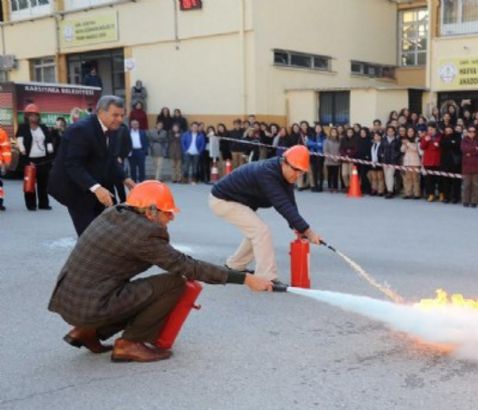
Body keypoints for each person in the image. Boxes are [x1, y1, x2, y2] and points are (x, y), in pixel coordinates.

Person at [49, 181, 272, 363]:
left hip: (69, 299)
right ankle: (130, 344)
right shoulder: (146, 234)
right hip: (91, 305)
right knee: (174, 284)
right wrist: (245, 278)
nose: (172, 218)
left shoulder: (114, 214)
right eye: (167, 213)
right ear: (150, 212)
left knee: (132, 290)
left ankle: (87, 332)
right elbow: (188, 266)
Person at [209, 145, 322, 282]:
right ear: (284, 162)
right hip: (223, 200)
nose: (298, 175)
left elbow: (290, 202)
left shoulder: (283, 173)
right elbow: (282, 205)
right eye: (296, 170)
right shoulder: (267, 174)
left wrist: (297, 227)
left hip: (237, 201)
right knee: (261, 231)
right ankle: (266, 278)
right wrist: (308, 231)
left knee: (256, 232)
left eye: (302, 172)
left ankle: (235, 266)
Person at [48, 96, 135, 235]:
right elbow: (73, 165)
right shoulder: (81, 130)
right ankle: (87, 255)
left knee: (108, 230)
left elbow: (110, 159)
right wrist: (97, 188)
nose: (120, 119)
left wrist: (125, 178)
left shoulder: (112, 129)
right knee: (89, 236)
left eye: (122, 115)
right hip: (75, 190)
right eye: (115, 115)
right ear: (101, 112)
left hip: (96, 187)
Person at [16, 103, 55, 211]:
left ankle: (44, 204)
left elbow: (48, 140)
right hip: (29, 160)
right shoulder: (23, 127)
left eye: (35, 115)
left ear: (38, 116)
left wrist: (50, 151)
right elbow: (20, 142)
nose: (33, 117)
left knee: (43, 184)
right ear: (27, 116)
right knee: (30, 184)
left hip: (43, 160)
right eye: (31, 115)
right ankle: (31, 204)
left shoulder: (43, 127)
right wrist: (25, 156)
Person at [460, 126, 478, 208]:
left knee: (475, 185)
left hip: (477, 165)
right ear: (467, 132)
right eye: (470, 131)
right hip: (467, 165)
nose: (471, 133)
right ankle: (466, 200)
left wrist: (470, 152)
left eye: (473, 131)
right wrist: (475, 149)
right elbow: (463, 149)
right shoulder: (464, 140)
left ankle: (474, 201)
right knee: (466, 184)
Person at [439, 124, 461, 204]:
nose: (448, 132)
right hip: (445, 162)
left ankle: (456, 197)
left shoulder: (457, 136)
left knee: (456, 181)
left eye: (450, 130)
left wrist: (450, 143)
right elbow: (442, 144)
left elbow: (457, 144)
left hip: (455, 162)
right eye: (446, 131)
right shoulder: (443, 136)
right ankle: (446, 197)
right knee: (446, 181)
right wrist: (451, 142)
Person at [419, 123, 442, 202]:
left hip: (437, 160)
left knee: (439, 179)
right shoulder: (425, 137)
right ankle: (431, 194)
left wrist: (436, 144)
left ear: (435, 129)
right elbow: (422, 147)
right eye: (428, 129)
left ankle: (441, 193)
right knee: (429, 180)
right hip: (428, 161)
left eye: (431, 129)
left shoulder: (439, 136)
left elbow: (439, 147)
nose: (430, 131)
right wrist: (426, 140)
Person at [380, 125, 402, 199]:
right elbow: (381, 149)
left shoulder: (397, 141)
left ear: (394, 132)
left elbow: (399, 151)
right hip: (385, 160)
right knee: (387, 176)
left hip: (393, 161)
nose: (390, 132)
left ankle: (390, 191)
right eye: (388, 131)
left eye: (391, 131)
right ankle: (389, 189)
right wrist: (381, 155)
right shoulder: (383, 140)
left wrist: (395, 156)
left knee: (390, 175)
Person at [400, 126, 421, 200]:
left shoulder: (417, 139)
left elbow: (416, 149)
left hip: (415, 161)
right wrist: (405, 144)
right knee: (408, 178)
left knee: (415, 178)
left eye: (411, 131)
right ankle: (408, 193)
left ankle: (417, 193)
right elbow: (402, 150)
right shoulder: (405, 140)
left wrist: (408, 143)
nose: (410, 133)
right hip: (407, 162)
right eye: (408, 132)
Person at [306, 124, 326, 192]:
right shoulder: (312, 135)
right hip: (313, 155)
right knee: (314, 171)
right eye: (316, 127)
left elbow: (323, 145)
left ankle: (320, 186)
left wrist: (314, 144)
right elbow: (308, 143)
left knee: (320, 171)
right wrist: (317, 144)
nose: (318, 129)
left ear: (321, 128)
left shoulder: (324, 136)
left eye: (319, 127)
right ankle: (315, 185)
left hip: (320, 156)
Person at [323, 127, 341, 193]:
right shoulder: (326, 140)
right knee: (330, 174)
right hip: (329, 161)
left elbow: (340, 150)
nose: (334, 133)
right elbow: (325, 151)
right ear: (330, 133)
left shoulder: (339, 141)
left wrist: (338, 157)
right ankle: (330, 187)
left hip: (337, 161)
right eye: (332, 132)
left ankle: (335, 187)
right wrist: (332, 158)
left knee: (336, 175)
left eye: (335, 132)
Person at [367, 131, 385, 196]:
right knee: (374, 177)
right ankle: (374, 189)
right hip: (373, 163)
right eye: (375, 136)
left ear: (380, 137)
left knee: (380, 177)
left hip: (380, 163)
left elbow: (382, 154)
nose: (376, 137)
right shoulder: (372, 144)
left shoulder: (382, 144)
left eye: (378, 136)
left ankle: (381, 191)